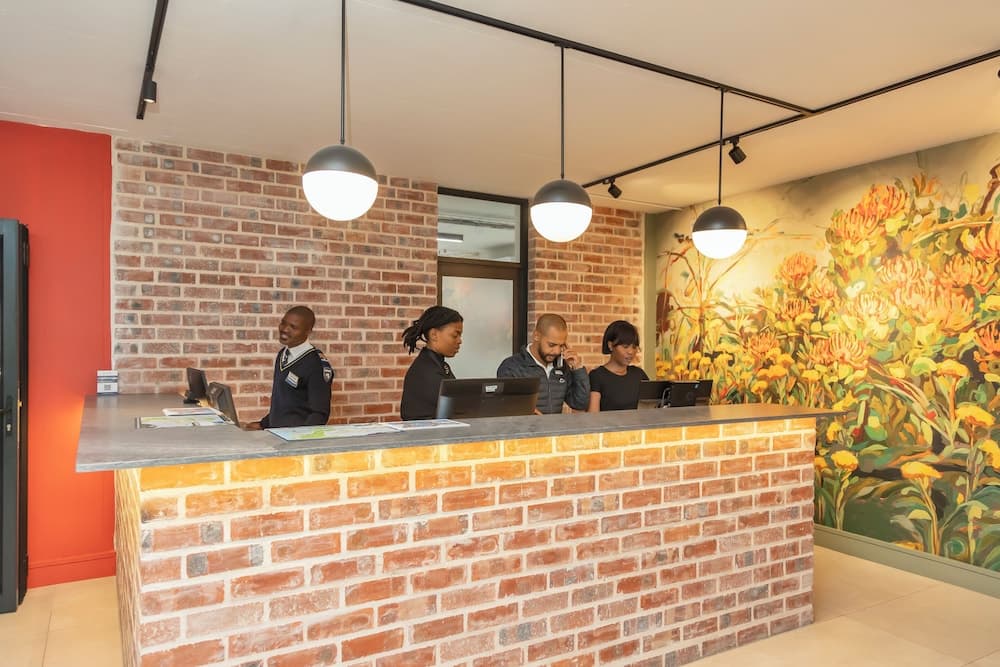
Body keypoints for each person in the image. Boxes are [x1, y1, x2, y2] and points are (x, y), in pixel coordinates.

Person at [248, 306, 334, 429]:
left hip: (294, 437)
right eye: (283, 323)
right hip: (276, 433)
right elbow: (285, 404)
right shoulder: (282, 355)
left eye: (293, 327)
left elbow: (319, 414)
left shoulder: (316, 365)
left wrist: (299, 438)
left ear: (308, 331)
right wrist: (263, 424)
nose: (284, 329)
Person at [497, 313, 589, 414]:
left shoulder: (561, 367)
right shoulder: (512, 367)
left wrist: (577, 368)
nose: (557, 351)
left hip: (553, 425)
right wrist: (526, 410)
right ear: (536, 336)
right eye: (551, 345)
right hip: (526, 425)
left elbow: (580, 404)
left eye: (561, 345)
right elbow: (505, 407)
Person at [400, 306, 463, 420]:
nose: (459, 341)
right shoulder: (426, 370)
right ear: (434, 334)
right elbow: (458, 406)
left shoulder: (438, 364)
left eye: (460, 335)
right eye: (455, 335)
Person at [588, 320, 649, 411]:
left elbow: (653, 408)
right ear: (610, 345)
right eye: (625, 346)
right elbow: (593, 415)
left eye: (634, 347)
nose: (631, 352)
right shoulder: (597, 376)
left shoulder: (639, 374)